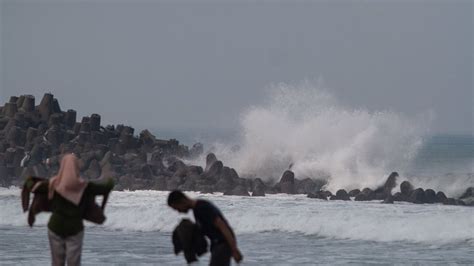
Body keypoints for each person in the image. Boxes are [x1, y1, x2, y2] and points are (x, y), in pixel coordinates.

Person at [24, 154, 114, 266]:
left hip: (55, 227)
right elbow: (105, 188)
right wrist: (110, 179)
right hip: (75, 229)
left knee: (57, 262)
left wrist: (29, 179)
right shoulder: (84, 187)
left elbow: (32, 187)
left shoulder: (53, 184)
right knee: (74, 262)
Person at [168, 190, 243, 266]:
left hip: (222, 244)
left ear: (182, 201)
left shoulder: (202, 207)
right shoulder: (197, 209)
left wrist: (234, 250)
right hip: (218, 245)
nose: (179, 211)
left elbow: (222, 225)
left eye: (177, 208)